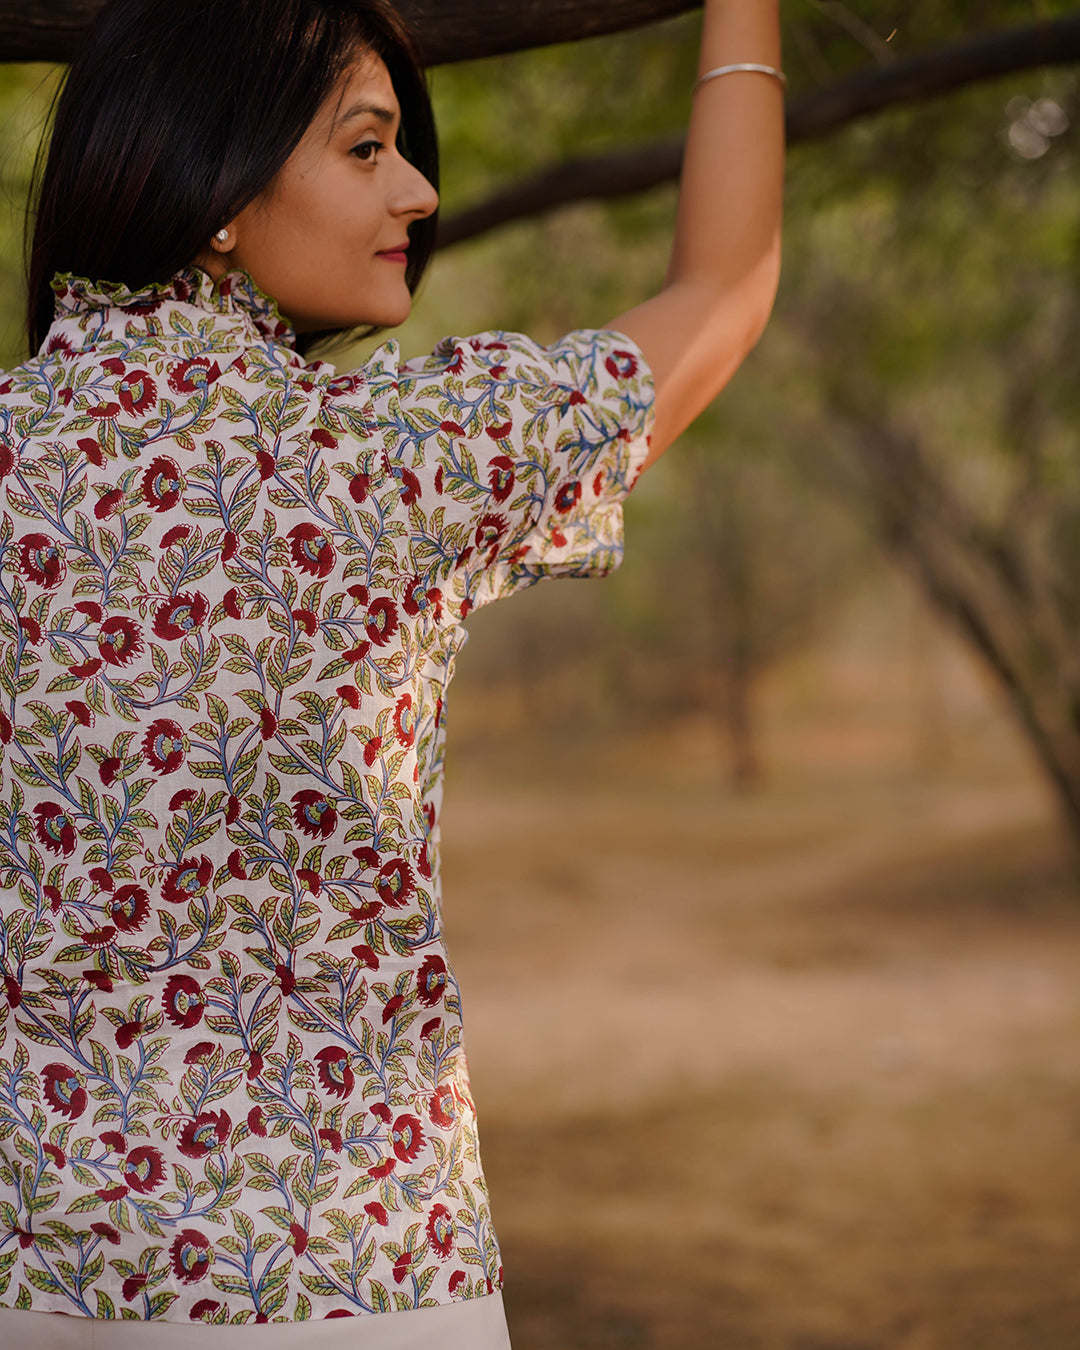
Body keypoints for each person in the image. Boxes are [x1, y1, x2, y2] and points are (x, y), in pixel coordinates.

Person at [0, 0, 783, 1344]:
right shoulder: (394, 462)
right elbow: (723, 290)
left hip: (46, 1279)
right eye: (369, 150)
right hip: (365, 1276)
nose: (419, 188)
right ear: (220, 190)